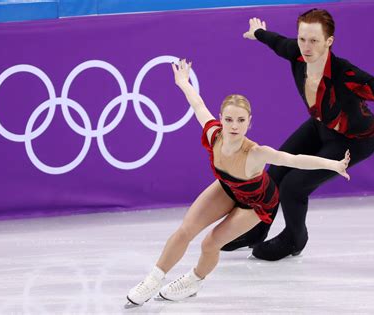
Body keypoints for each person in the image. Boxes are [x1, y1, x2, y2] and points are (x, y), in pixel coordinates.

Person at [125, 59, 351, 306]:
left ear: (249, 122)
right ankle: (153, 279)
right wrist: (182, 82)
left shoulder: (255, 152)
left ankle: (193, 281)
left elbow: (294, 159)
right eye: (229, 119)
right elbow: (197, 104)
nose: (234, 126)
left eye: (241, 121)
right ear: (221, 118)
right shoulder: (214, 135)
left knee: (210, 242)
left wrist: (333, 165)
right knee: (185, 230)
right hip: (228, 188)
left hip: (255, 204)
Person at [221, 9, 374, 261]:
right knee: (275, 173)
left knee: (293, 187)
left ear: (329, 41)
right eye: (302, 39)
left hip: (355, 141)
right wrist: (258, 33)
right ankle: (257, 230)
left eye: (314, 41)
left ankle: (295, 238)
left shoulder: (345, 74)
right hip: (321, 127)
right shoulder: (297, 55)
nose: (306, 47)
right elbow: (278, 42)